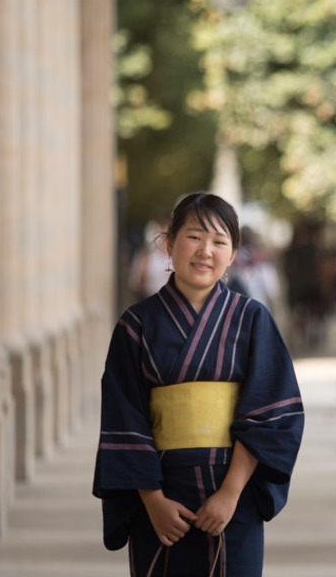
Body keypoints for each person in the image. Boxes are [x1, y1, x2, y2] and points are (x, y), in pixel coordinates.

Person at [93, 192, 305, 576]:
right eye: (194, 237)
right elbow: (125, 420)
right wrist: (154, 502)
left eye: (219, 241)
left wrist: (230, 494)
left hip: (232, 499)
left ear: (233, 253)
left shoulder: (252, 320)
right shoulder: (135, 326)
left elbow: (270, 413)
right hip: (159, 496)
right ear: (169, 243)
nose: (205, 250)